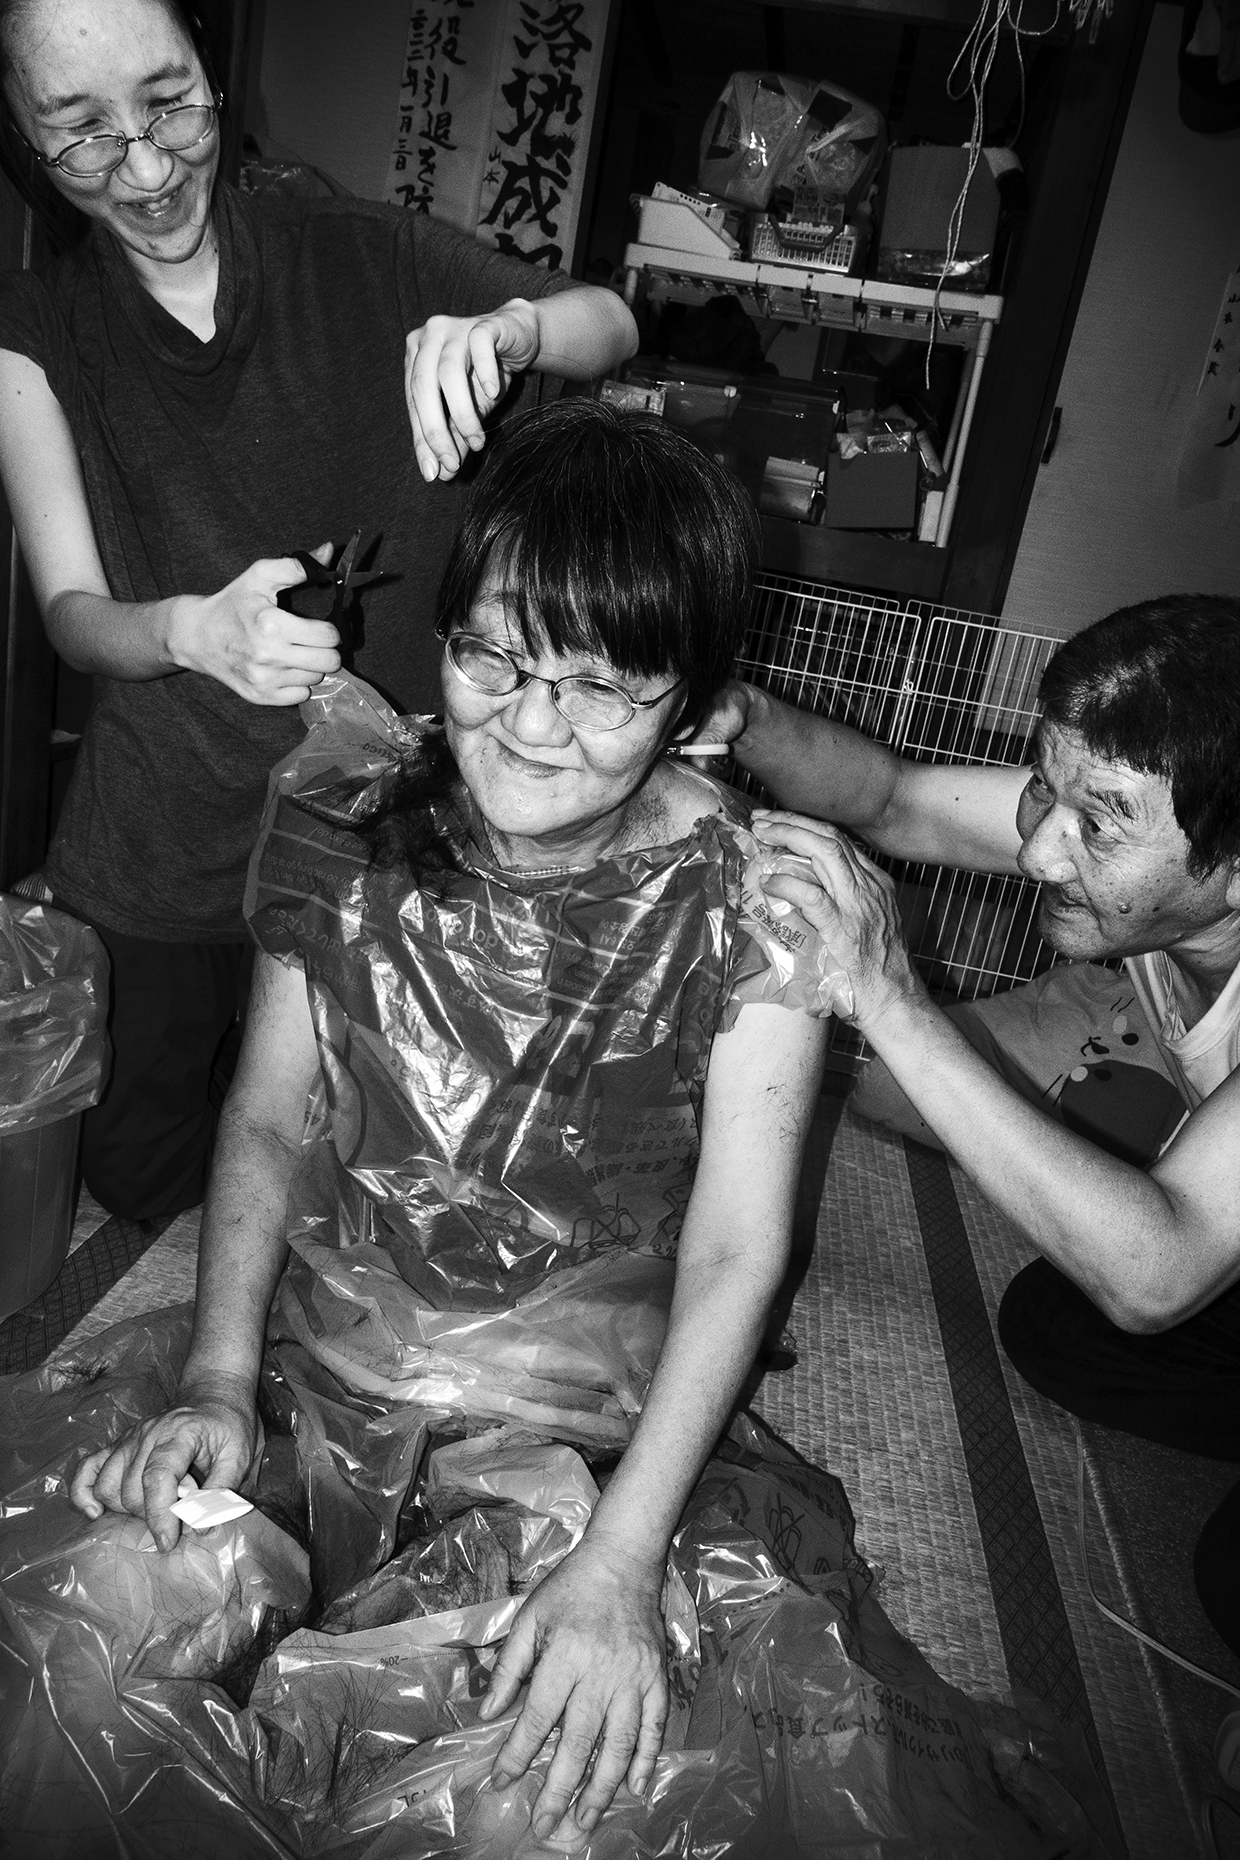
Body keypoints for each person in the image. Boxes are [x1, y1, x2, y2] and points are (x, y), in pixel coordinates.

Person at [65, 401, 828, 1845]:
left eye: (606, 687)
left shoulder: (753, 900)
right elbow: (272, 1115)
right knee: (97, 1645)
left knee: (526, 1800)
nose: (532, 728)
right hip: (317, 1375)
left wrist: (618, 1557)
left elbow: (739, 1248)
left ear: (698, 700)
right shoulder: (347, 809)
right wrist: (220, 1376)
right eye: (492, 655)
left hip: (585, 1435)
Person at [0, 0, 636, 1224]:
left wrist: (508, 330)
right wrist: (191, 630)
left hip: (380, 830)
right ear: (30, 144)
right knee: (142, 1184)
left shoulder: (348, 247)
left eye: (171, 102)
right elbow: (75, 613)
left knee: (404, 1172)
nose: (144, 164)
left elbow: (607, 322)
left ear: (216, 78)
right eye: (81, 134)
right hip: (168, 822)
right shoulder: (38, 334)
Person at [698, 593, 1240, 1668]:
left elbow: (1158, 1272)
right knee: (1051, 1322)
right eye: (1045, 787)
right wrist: (741, 713)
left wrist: (884, 993)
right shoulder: (1145, 818)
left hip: (1185, 1254)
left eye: (1097, 825)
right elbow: (893, 800)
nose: (1041, 850)